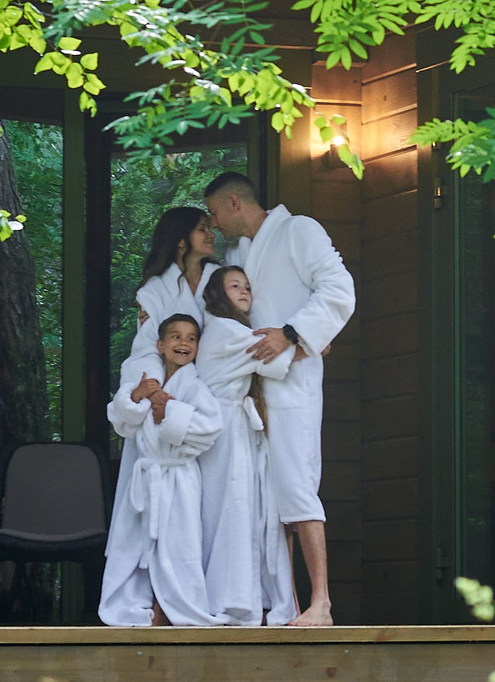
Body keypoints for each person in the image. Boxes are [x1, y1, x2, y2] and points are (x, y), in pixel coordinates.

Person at [203, 170, 354, 627]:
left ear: (233, 203)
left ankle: (322, 603)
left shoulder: (298, 230)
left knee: (297, 489)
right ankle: (285, 604)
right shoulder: (238, 253)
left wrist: (294, 334)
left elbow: (339, 290)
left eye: (213, 213)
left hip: (294, 387)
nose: (212, 224)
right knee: (266, 502)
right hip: (252, 393)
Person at [95, 314, 220, 627]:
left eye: (191, 338)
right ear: (161, 345)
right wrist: (135, 397)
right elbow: (123, 423)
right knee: (134, 545)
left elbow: (210, 428)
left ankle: (174, 608)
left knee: (179, 546)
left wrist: (170, 412)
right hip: (147, 477)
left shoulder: (196, 386)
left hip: (179, 477)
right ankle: (135, 605)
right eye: (176, 337)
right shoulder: (147, 382)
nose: (183, 343)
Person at [192, 266, 299, 625]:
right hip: (224, 430)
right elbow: (273, 358)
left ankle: (231, 595)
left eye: (248, 286)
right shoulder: (226, 330)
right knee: (233, 510)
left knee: (229, 510)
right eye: (234, 285)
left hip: (228, 428)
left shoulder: (222, 328)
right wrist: (311, 343)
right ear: (218, 293)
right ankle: (232, 600)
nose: (244, 291)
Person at [126, 206, 218, 364]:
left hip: (219, 376)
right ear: (181, 241)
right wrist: (154, 384)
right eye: (202, 229)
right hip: (173, 380)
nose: (212, 235)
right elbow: (147, 346)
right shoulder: (154, 289)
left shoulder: (221, 278)